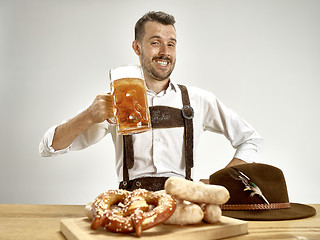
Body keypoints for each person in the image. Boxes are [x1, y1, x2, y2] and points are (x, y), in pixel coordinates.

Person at [39, 11, 263, 191]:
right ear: (137, 47)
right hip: (131, 206)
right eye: (155, 43)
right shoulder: (116, 101)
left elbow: (250, 139)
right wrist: (88, 116)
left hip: (183, 204)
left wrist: (218, 182)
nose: (165, 52)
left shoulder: (198, 100)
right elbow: (49, 146)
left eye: (171, 44)